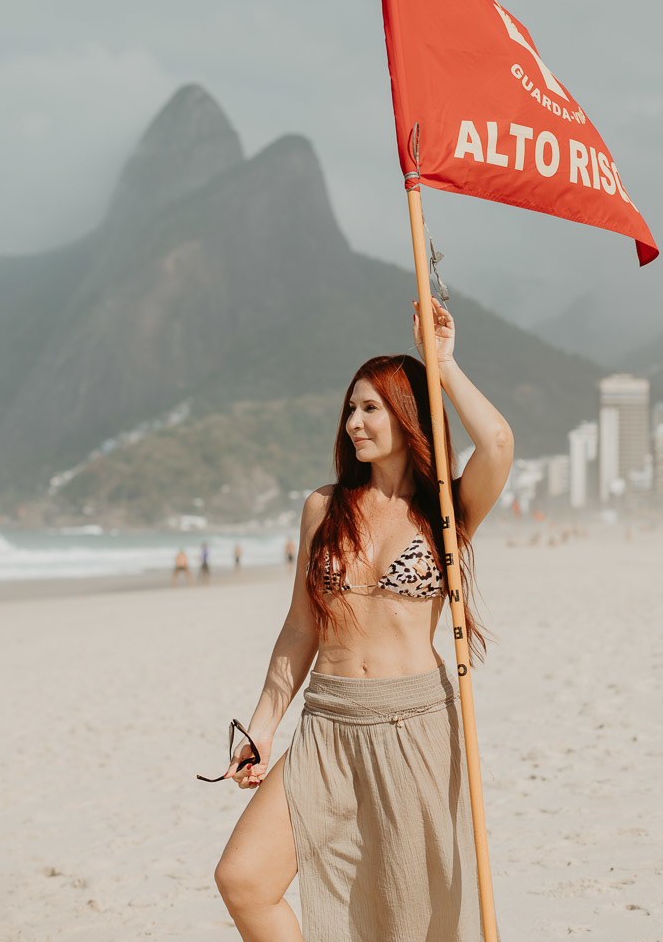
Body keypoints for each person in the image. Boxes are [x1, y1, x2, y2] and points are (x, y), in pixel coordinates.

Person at [213, 298, 513, 942]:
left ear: (409, 417)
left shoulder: (447, 510)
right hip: (327, 722)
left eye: (370, 407)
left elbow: (497, 442)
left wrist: (443, 365)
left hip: (414, 724)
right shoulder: (324, 508)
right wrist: (264, 728)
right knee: (244, 880)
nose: (353, 421)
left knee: (408, 915)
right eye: (350, 408)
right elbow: (300, 629)